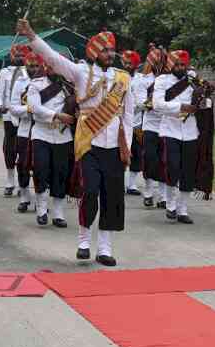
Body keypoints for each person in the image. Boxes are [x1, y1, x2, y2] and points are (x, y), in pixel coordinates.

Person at [17, 19, 133, 267]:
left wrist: (128, 146)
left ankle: (104, 248)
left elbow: (129, 116)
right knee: (89, 191)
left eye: (112, 49)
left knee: (111, 196)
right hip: (88, 142)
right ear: (93, 51)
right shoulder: (81, 72)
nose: (109, 53)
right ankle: (83, 241)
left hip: (114, 144)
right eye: (104, 49)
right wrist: (32, 36)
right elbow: (54, 59)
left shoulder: (123, 78)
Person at [152, 50, 213, 224]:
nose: (180, 68)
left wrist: (204, 101)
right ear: (171, 65)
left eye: (183, 65)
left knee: (187, 171)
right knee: (172, 167)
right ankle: (170, 204)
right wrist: (181, 107)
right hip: (169, 130)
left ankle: (183, 209)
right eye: (176, 64)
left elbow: (204, 103)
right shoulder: (161, 81)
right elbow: (157, 105)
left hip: (190, 131)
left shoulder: (193, 80)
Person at [25, 53, 75, 228]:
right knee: (41, 170)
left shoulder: (69, 86)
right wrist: (57, 115)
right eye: (52, 66)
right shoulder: (35, 85)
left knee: (61, 173)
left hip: (63, 136)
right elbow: (35, 108)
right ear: (46, 67)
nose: (55, 69)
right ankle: (41, 208)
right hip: (42, 133)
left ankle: (58, 213)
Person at [0, 44, 30, 197]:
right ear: (11, 56)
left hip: (25, 116)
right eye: (17, 55)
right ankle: (10, 180)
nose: (19, 58)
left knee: (24, 149)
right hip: (9, 115)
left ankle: (24, 183)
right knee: (9, 148)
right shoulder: (4, 72)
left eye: (22, 55)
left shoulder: (31, 72)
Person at [138, 46, 169, 208]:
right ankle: (148, 193)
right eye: (157, 59)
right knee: (150, 159)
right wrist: (151, 102)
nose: (160, 62)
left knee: (164, 161)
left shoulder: (170, 79)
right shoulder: (143, 80)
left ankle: (163, 196)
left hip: (166, 125)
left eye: (162, 59)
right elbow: (140, 102)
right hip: (150, 125)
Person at [6, 52, 35, 213]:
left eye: (37, 66)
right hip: (24, 130)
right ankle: (24, 197)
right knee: (23, 165)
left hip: (42, 130)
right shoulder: (20, 82)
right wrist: (28, 110)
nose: (34, 69)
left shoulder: (46, 83)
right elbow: (13, 107)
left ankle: (40, 200)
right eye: (31, 65)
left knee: (41, 167)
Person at [121, 50, 144, 197]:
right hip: (119, 122)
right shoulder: (118, 77)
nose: (127, 65)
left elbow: (143, 100)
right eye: (125, 62)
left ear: (136, 64)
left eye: (130, 63)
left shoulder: (141, 79)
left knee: (136, 154)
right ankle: (119, 183)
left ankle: (132, 184)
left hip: (137, 124)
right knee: (120, 153)